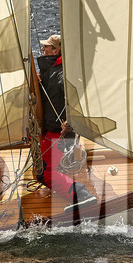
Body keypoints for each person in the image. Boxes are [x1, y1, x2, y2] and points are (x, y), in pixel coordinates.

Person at [33, 34, 97, 216]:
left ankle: (81, 195)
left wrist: (71, 120)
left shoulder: (63, 72)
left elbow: (76, 95)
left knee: (45, 173)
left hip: (58, 131)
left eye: (47, 47)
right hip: (51, 129)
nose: (43, 49)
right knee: (43, 170)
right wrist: (39, 80)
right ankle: (68, 187)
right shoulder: (53, 70)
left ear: (56, 50)